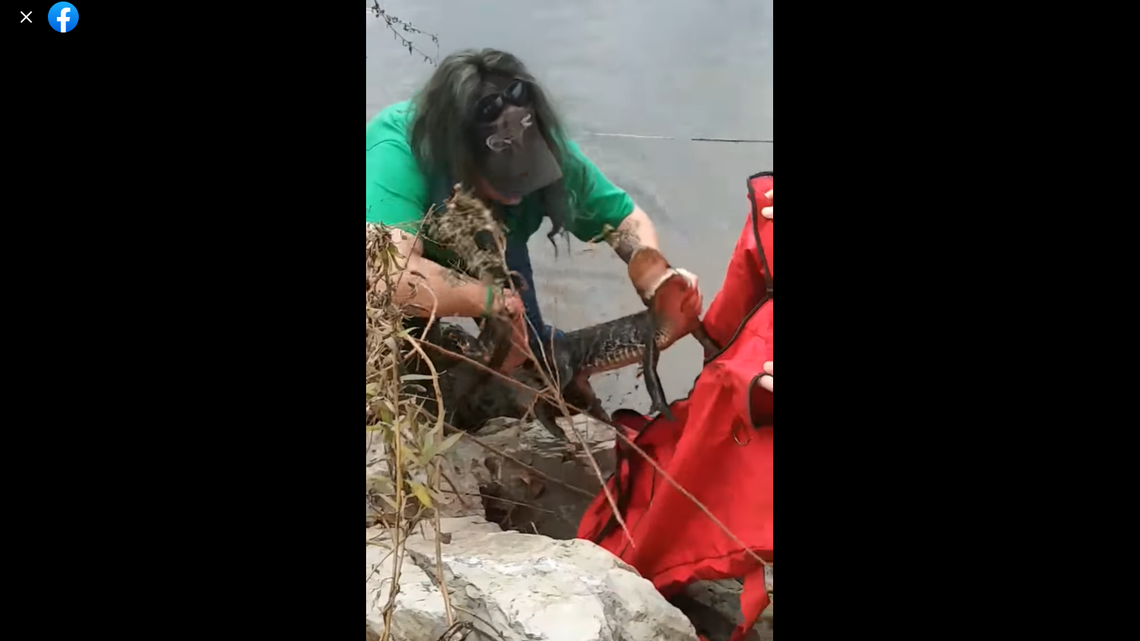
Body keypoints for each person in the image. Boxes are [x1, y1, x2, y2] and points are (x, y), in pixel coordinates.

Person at [366, 48, 701, 372]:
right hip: (401, 249)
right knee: (401, 359)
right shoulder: (397, 151)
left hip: (492, 239)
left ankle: (548, 366)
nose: (517, 195)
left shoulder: (548, 145)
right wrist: (493, 302)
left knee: (531, 358)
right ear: (459, 162)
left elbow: (624, 220)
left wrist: (657, 278)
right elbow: (389, 278)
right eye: (503, 179)